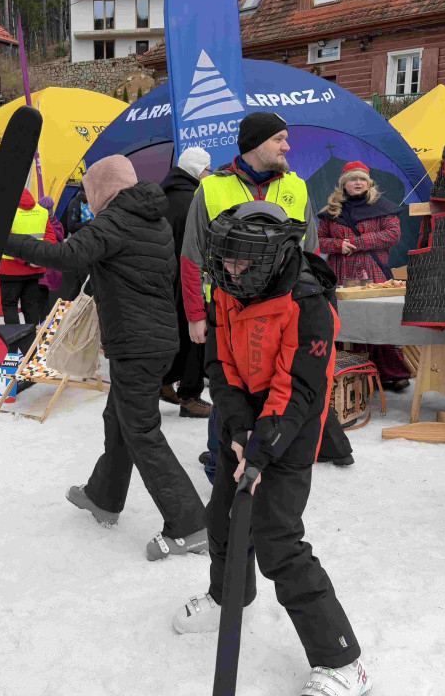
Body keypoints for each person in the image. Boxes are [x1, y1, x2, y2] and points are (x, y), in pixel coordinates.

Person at [172, 201, 370, 696]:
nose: (232, 272)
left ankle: (343, 660)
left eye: (243, 263)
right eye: (226, 262)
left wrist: (261, 451)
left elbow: (298, 389)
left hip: (292, 425)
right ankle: (229, 596)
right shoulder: (228, 287)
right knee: (223, 518)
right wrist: (238, 431)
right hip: (244, 419)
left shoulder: (308, 304)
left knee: (278, 538)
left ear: (275, 257)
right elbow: (221, 364)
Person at [4, 155, 207, 561]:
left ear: (101, 190)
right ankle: (103, 496)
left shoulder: (114, 221)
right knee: (120, 420)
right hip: (156, 339)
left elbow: (66, 256)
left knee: (142, 432)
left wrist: (2, 239)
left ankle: (191, 524)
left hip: (136, 343)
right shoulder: (154, 219)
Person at [181, 112, 354, 479]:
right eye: (279, 139)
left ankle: (270, 457)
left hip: (284, 311)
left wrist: (320, 305)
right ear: (255, 145)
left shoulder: (297, 186)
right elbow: (191, 256)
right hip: (229, 308)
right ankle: (220, 459)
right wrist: (196, 314)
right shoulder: (210, 189)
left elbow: (311, 252)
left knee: (281, 384)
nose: (287, 146)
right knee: (230, 385)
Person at [318, 161, 411, 391]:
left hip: (374, 273)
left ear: (368, 183)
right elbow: (319, 240)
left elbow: (392, 234)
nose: (357, 183)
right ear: (344, 184)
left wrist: (356, 243)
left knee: (377, 321)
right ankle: (348, 372)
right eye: (352, 179)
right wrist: (339, 245)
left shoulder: (383, 207)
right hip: (340, 274)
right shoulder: (331, 211)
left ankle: (391, 372)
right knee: (343, 322)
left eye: (361, 179)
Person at [159, 146, 213, 419]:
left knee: (172, 335)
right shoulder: (194, 198)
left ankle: (164, 381)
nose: (209, 174)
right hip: (189, 278)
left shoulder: (162, 194)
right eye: (206, 169)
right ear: (195, 170)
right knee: (195, 337)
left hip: (161, 280)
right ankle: (190, 396)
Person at [0, 189, 58, 326]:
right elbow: (50, 236)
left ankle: (15, 343)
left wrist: (26, 260)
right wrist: (39, 257)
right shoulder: (42, 212)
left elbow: (7, 241)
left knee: (10, 305)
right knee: (30, 306)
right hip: (35, 271)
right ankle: (32, 343)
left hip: (10, 270)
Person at [60, 186, 93, 301]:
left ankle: (68, 309)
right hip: (80, 246)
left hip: (92, 246)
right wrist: (90, 223)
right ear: (83, 191)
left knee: (80, 282)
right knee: (86, 282)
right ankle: (82, 310)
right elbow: (71, 226)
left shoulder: (93, 201)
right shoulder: (75, 203)